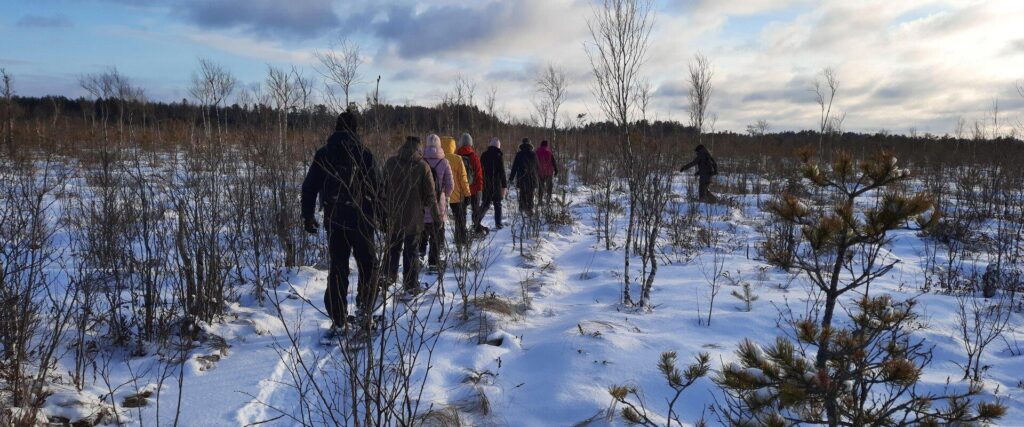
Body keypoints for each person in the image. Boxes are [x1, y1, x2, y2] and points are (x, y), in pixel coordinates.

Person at [301, 111, 380, 331]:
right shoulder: (365, 155)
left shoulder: (324, 154)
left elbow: (309, 187)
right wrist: (383, 218)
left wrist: (308, 216)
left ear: (336, 128)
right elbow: (378, 189)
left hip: (334, 220)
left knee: (338, 268)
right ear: (356, 130)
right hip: (362, 221)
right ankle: (365, 311)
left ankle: (338, 318)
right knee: (369, 266)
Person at [382, 136, 440, 294]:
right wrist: (437, 217)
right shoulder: (422, 166)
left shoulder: (390, 163)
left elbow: (381, 190)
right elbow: (431, 195)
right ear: (418, 149)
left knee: (392, 249)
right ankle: (411, 285)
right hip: (414, 217)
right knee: (411, 251)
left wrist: (382, 214)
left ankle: (386, 280)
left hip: (393, 216)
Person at [421, 134, 453, 271]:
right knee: (436, 235)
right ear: (440, 145)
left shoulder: (421, 162)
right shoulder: (445, 162)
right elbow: (450, 185)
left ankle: (419, 257)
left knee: (421, 234)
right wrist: (445, 195)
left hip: (422, 205)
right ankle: (433, 263)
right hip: (438, 206)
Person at [441, 136, 472, 245]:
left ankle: (440, 243)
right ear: (453, 146)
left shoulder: (439, 158)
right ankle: (461, 240)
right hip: (456, 195)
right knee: (459, 220)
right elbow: (463, 178)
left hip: (441, 195)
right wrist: (467, 194)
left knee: (440, 221)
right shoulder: (458, 159)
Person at [456, 133, 486, 234]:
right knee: (476, 210)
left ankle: (461, 232)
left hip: (462, 189)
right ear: (471, 143)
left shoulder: (457, 156)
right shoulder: (474, 156)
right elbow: (478, 174)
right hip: (474, 188)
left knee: (461, 211)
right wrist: (480, 188)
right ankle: (477, 228)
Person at [479, 137, 508, 229]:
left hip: (486, 183)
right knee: (497, 204)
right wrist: (504, 186)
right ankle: (498, 224)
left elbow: (479, 170)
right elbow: (502, 172)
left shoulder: (484, 155)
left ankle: (476, 219)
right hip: (496, 184)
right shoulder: (499, 156)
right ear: (498, 146)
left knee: (485, 203)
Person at [508, 137, 539, 216]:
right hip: (532, 179)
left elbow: (514, 168)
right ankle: (530, 210)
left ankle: (522, 211)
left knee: (522, 194)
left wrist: (511, 179)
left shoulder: (519, 154)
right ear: (530, 145)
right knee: (530, 195)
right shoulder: (533, 154)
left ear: (522, 144)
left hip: (522, 179)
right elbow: (538, 167)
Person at [535, 140, 558, 207]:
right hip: (548, 173)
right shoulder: (549, 152)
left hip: (539, 173)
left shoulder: (537, 152)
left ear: (541, 145)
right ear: (546, 145)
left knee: (540, 187)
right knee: (549, 187)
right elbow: (553, 161)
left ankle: (540, 201)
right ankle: (548, 201)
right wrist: (556, 170)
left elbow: (534, 162)